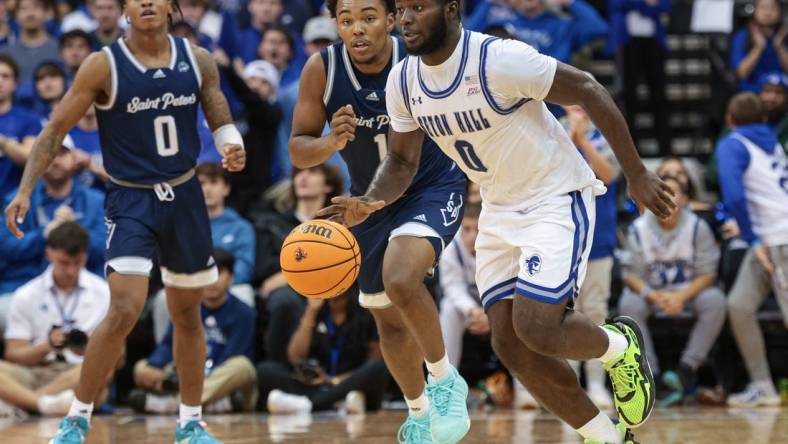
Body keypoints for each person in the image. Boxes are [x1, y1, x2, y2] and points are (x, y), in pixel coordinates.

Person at [321, 1, 680, 443]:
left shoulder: (499, 59)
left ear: (451, 10)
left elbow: (587, 88)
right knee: (508, 343)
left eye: (419, 7)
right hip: (498, 205)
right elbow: (400, 160)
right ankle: (606, 436)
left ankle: (620, 348)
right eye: (402, 9)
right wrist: (369, 200)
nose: (407, 19)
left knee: (537, 327)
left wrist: (638, 174)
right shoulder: (405, 80)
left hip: (554, 196)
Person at [3, 0, 246, 441]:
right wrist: (24, 189)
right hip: (131, 200)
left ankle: (190, 424)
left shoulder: (197, 58)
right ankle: (76, 419)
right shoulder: (103, 65)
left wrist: (230, 141)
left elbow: (216, 108)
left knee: (187, 313)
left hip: (186, 195)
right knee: (123, 310)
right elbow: (55, 130)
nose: (147, 2)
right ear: (124, 10)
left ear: (172, 6)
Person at [290, 1, 470, 442]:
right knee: (386, 319)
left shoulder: (416, 57)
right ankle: (419, 412)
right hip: (366, 202)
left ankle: (446, 380)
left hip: (432, 186)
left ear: (390, 20)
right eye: (346, 20)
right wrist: (331, 142)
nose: (356, 29)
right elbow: (298, 149)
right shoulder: (322, 68)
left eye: (368, 17)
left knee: (402, 278)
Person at [618, 176, 726, 407]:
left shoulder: (698, 226)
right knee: (629, 304)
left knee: (715, 300)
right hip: (652, 294)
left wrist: (679, 297)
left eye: (673, 192)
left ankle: (686, 370)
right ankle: (651, 376)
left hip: (689, 293)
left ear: (685, 199)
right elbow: (630, 275)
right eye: (661, 193)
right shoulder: (639, 228)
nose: (667, 198)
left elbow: (708, 274)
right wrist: (652, 295)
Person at [716, 93, 788, 407]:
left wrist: (752, 239)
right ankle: (763, 387)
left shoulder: (732, 144)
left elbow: (733, 196)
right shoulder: (772, 139)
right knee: (740, 306)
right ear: (763, 118)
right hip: (770, 238)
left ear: (729, 120)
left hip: (777, 239)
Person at [0, 222, 110, 417]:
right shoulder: (26, 294)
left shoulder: (103, 292)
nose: (71, 271)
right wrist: (47, 346)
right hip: (35, 372)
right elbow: (13, 353)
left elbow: (117, 357)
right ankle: (45, 404)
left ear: (86, 254)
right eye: (64, 262)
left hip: (78, 372)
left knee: (103, 369)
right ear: (48, 253)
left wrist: (93, 347)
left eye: (78, 262)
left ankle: (25, 403)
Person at [131, 249, 257, 414]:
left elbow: (232, 355)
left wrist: (199, 378)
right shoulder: (186, 309)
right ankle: (213, 405)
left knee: (243, 366)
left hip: (217, 376)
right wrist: (154, 366)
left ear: (231, 278)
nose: (212, 281)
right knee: (140, 368)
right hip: (185, 375)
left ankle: (173, 404)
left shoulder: (244, 313)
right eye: (207, 275)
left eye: (218, 274)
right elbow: (169, 345)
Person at [0, 141, 106, 305]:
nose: (55, 161)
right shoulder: (17, 200)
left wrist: (75, 233)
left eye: (62, 154)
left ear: (74, 158)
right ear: (37, 161)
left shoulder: (95, 200)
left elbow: (103, 250)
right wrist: (44, 234)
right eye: (49, 155)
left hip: (83, 289)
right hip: (23, 286)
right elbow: (6, 246)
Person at [564, 104, 619, 409]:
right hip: (562, 242)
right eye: (571, 106)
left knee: (595, 312)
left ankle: (597, 383)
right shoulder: (553, 131)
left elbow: (609, 175)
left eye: (582, 106)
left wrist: (583, 140)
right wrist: (571, 137)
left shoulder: (606, 136)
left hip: (598, 241)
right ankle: (569, 385)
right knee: (563, 314)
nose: (577, 112)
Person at [257, 288, 389, 415]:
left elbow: (374, 359)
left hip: (350, 382)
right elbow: (295, 357)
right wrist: (311, 312)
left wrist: (333, 380)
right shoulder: (316, 310)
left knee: (379, 368)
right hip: (316, 385)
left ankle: (309, 404)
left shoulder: (366, 311)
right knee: (265, 371)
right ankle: (335, 403)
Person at [606, 0, 671, 155]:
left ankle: (665, 147)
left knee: (659, 94)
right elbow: (616, 5)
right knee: (629, 96)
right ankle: (631, 147)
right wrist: (646, 4)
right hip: (627, 41)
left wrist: (644, 5)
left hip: (653, 41)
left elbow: (665, 6)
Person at [438, 202, 486, 368]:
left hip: (495, 305)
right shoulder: (451, 246)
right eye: (467, 229)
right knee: (449, 308)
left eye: (478, 229)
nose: (473, 235)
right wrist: (474, 311)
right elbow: (452, 287)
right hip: (470, 308)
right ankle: (446, 377)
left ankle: (523, 390)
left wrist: (492, 316)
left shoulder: (497, 244)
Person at [197, 162, 256, 285]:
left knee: (244, 294)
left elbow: (245, 268)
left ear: (226, 188)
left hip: (231, 288)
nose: (207, 189)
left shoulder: (241, 227)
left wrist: (218, 285)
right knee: (163, 298)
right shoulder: (184, 227)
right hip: (192, 288)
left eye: (213, 182)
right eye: (201, 183)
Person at [0, 55, 43, 198]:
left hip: (13, 199)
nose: (0, 81)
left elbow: (31, 160)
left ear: (14, 84)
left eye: (5, 76)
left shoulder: (28, 119)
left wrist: (3, 142)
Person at [730, 0, 788, 93]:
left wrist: (780, 47)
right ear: (754, 11)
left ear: (780, 11)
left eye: (772, 8)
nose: (768, 13)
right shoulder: (742, 36)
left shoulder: (785, 36)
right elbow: (742, 73)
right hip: (753, 92)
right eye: (763, 8)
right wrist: (759, 47)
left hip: (782, 91)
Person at [1, 0, 60, 83]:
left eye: (36, 7)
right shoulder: (4, 54)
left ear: (47, 13)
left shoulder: (61, 50)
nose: (30, 13)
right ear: (16, 16)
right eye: (24, 8)